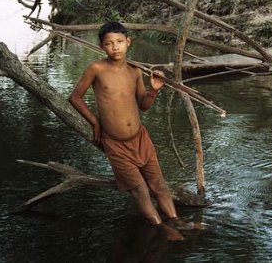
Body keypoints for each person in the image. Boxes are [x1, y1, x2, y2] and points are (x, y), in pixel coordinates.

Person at [69, 22, 190, 241]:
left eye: (119, 42)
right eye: (109, 43)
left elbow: (143, 105)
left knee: (159, 184)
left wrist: (153, 90)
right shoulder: (97, 69)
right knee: (141, 191)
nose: (115, 47)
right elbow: (75, 97)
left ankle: (177, 221)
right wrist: (95, 122)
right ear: (101, 46)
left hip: (140, 138)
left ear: (128, 42)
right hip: (115, 143)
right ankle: (162, 228)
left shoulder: (135, 71)